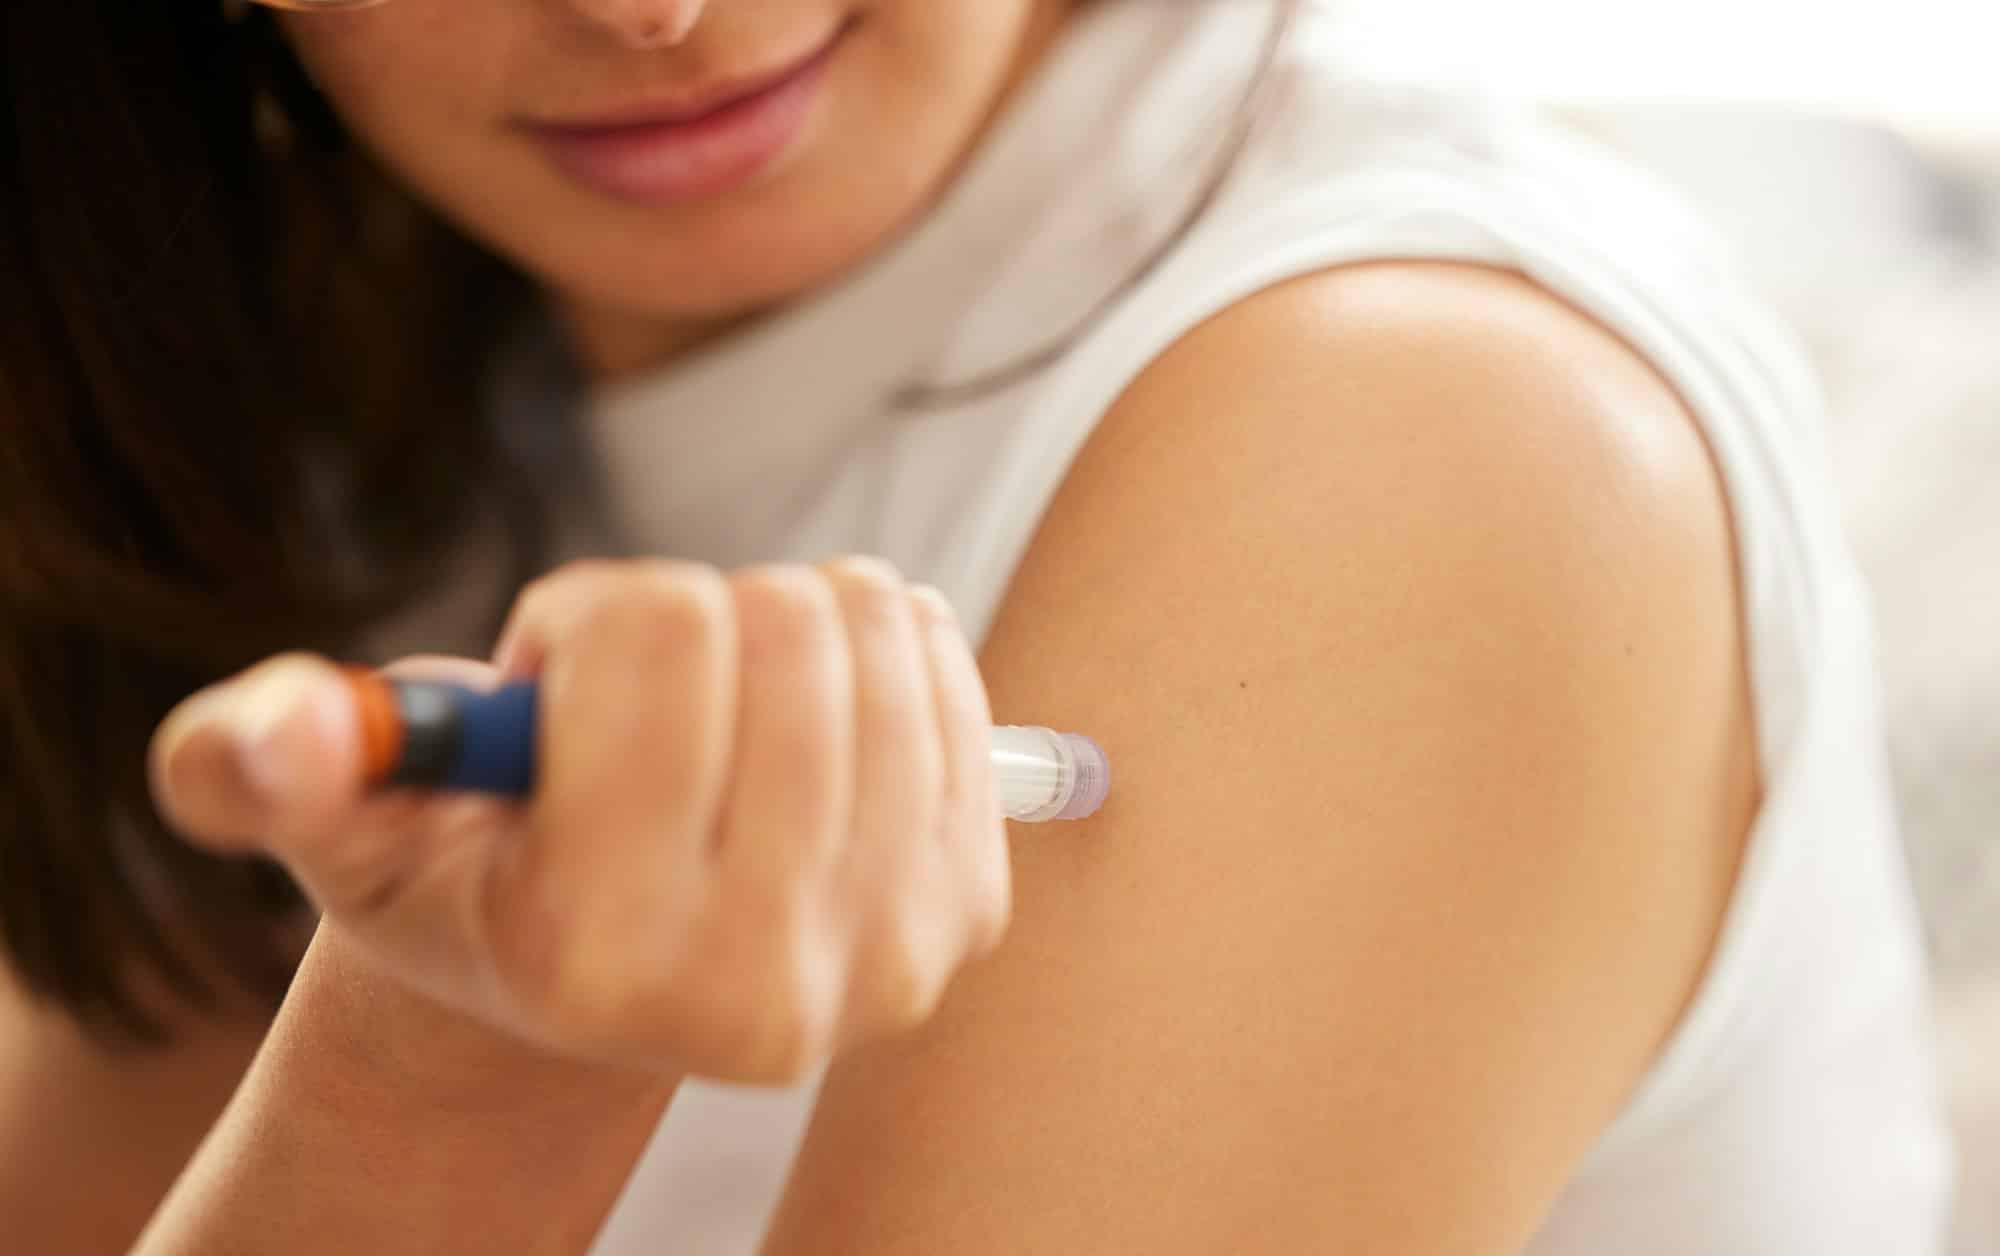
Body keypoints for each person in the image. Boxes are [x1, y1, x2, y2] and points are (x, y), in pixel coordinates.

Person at [0, 0, 1955, 1251]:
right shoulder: (301, 343)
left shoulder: (1428, 424)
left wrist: (459, 1070)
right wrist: (433, 1023)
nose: (652, 10)